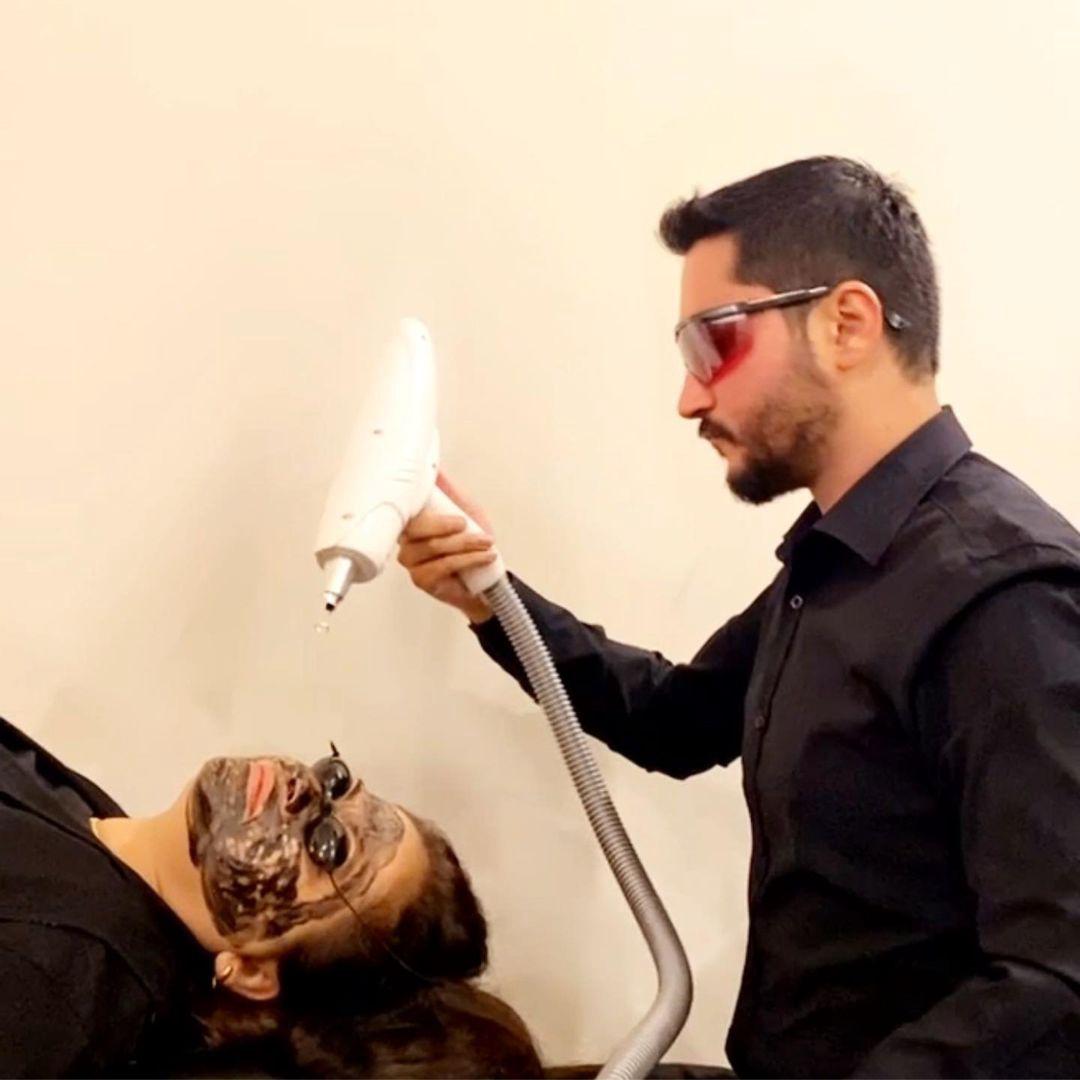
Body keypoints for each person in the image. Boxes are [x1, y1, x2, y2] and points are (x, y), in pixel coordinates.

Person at [398, 156, 1080, 1077]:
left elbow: (1055, 985)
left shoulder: (1004, 599)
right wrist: (491, 597)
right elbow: (677, 718)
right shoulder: (842, 560)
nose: (689, 396)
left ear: (847, 324)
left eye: (711, 343)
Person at [0, 714, 541, 1077]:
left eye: (328, 846)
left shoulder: (57, 979)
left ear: (255, 972)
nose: (305, 788)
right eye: (337, 783)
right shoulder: (102, 835)